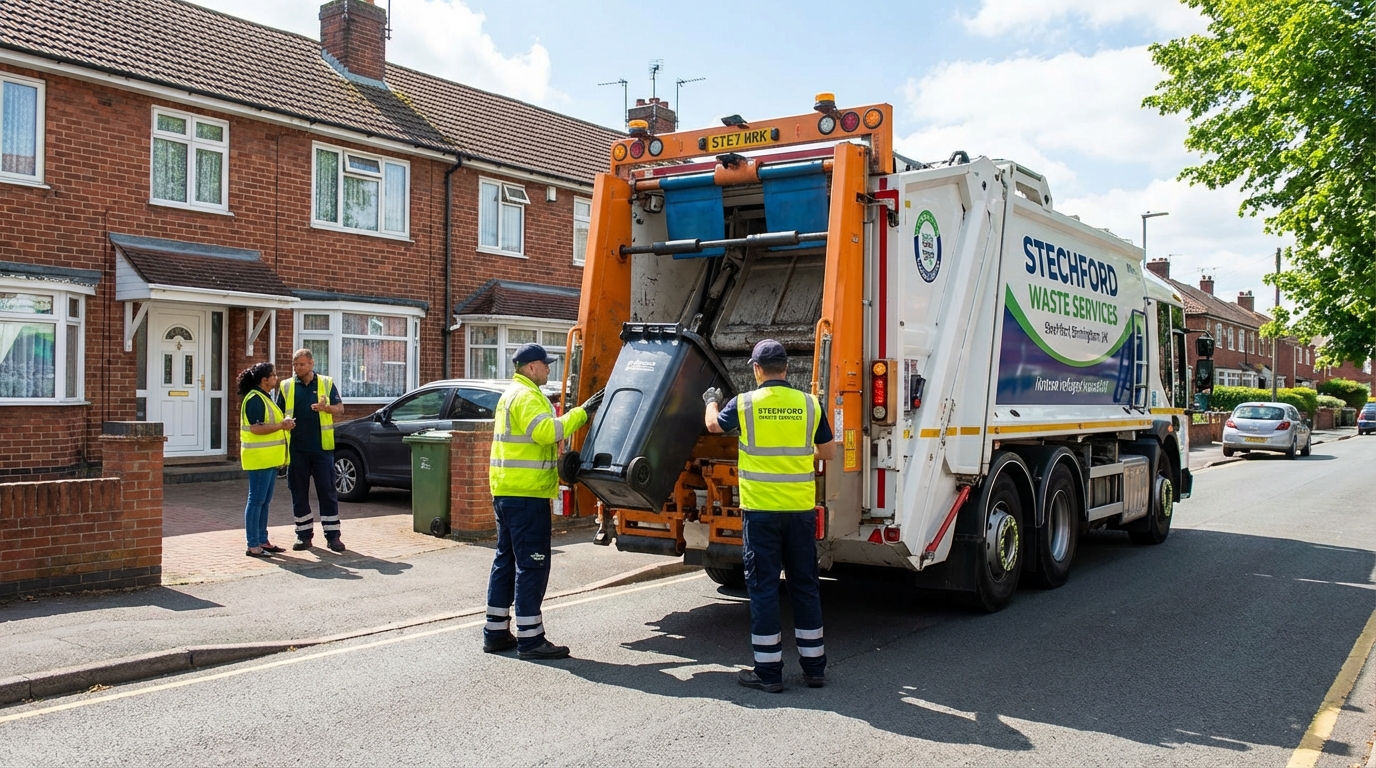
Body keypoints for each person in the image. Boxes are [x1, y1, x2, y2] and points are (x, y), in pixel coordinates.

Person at [703, 339, 834, 692]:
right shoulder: (809, 404)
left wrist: (710, 402)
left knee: (762, 589)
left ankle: (769, 672)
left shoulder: (744, 404)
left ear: (757, 369)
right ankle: (814, 669)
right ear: (787, 368)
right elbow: (829, 453)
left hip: (761, 513)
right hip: (800, 511)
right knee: (805, 586)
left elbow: (714, 427)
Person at [484, 343, 604, 660]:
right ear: (532, 367)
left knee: (506, 561)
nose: (549, 369)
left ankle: (495, 632)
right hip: (527, 495)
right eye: (546, 364)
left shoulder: (512, 394)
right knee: (532, 565)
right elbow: (546, 432)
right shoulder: (525, 396)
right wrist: (583, 412)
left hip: (508, 491)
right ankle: (531, 639)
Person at [277, 349, 345, 552]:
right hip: (297, 449)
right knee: (298, 493)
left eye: (302, 364)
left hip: (322, 450)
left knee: (328, 492)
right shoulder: (286, 386)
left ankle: (333, 536)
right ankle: (303, 535)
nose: (298, 368)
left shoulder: (326, 382)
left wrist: (326, 408)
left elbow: (340, 410)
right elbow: (278, 415)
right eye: (295, 365)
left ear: (312, 364)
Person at [237, 362, 294, 558]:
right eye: (274, 375)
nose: (276, 378)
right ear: (264, 380)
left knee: (264, 501)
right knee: (256, 501)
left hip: (268, 459)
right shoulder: (255, 399)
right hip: (259, 459)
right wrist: (281, 425)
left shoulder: (264, 397)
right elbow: (256, 428)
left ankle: (262, 540)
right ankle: (253, 545)